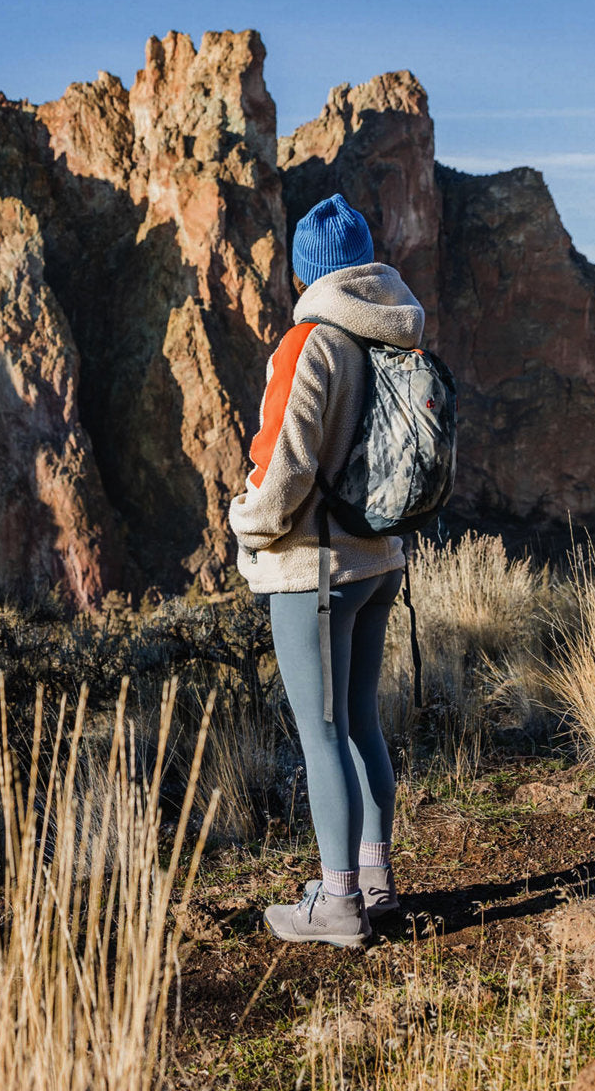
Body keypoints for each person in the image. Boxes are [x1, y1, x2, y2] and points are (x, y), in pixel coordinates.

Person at [228, 192, 425, 947]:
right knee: (362, 722)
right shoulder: (393, 335)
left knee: (321, 732)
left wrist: (244, 524)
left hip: (314, 571)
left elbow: (283, 469)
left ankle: (336, 904)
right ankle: (374, 883)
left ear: (307, 270)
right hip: (381, 561)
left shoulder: (310, 341)